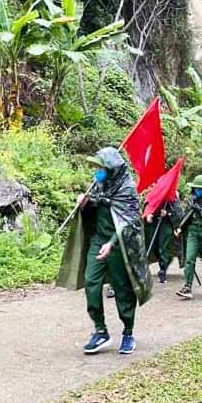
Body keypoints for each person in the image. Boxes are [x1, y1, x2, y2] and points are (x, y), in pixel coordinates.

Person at [60, 147, 152, 355]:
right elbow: (95, 207)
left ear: (112, 169)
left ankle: (128, 332)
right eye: (96, 168)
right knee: (91, 283)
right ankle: (100, 331)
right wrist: (85, 202)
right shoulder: (100, 185)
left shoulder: (127, 189)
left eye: (101, 168)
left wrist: (111, 243)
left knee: (122, 289)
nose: (97, 172)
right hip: (98, 240)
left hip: (119, 244)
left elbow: (130, 222)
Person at [145, 195, 183, 284]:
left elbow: (178, 213)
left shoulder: (172, 196)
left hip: (166, 224)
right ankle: (164, 262)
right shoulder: (154, 193)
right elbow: (147, 207)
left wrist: (168, 213)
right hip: (153, 224)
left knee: (163, 247)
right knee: (154, 247)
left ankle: (163, 270)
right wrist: (148, 214)